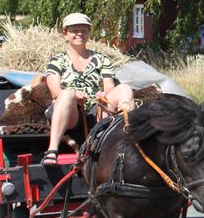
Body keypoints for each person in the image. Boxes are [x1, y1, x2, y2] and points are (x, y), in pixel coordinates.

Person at [42, 12, 136, 165]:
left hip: (95, 109)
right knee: (67, 94)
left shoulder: (102, 59)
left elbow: (109, 86)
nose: (79, 34)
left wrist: (103, 94)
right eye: (74, 30)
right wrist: (74, 94)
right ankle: (52, 150)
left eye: (84, 30)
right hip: (70, 110)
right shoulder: (56, 61)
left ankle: (131, 141)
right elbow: (55, 91)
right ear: (65, 34)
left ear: (89, 33)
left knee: (124, 88)